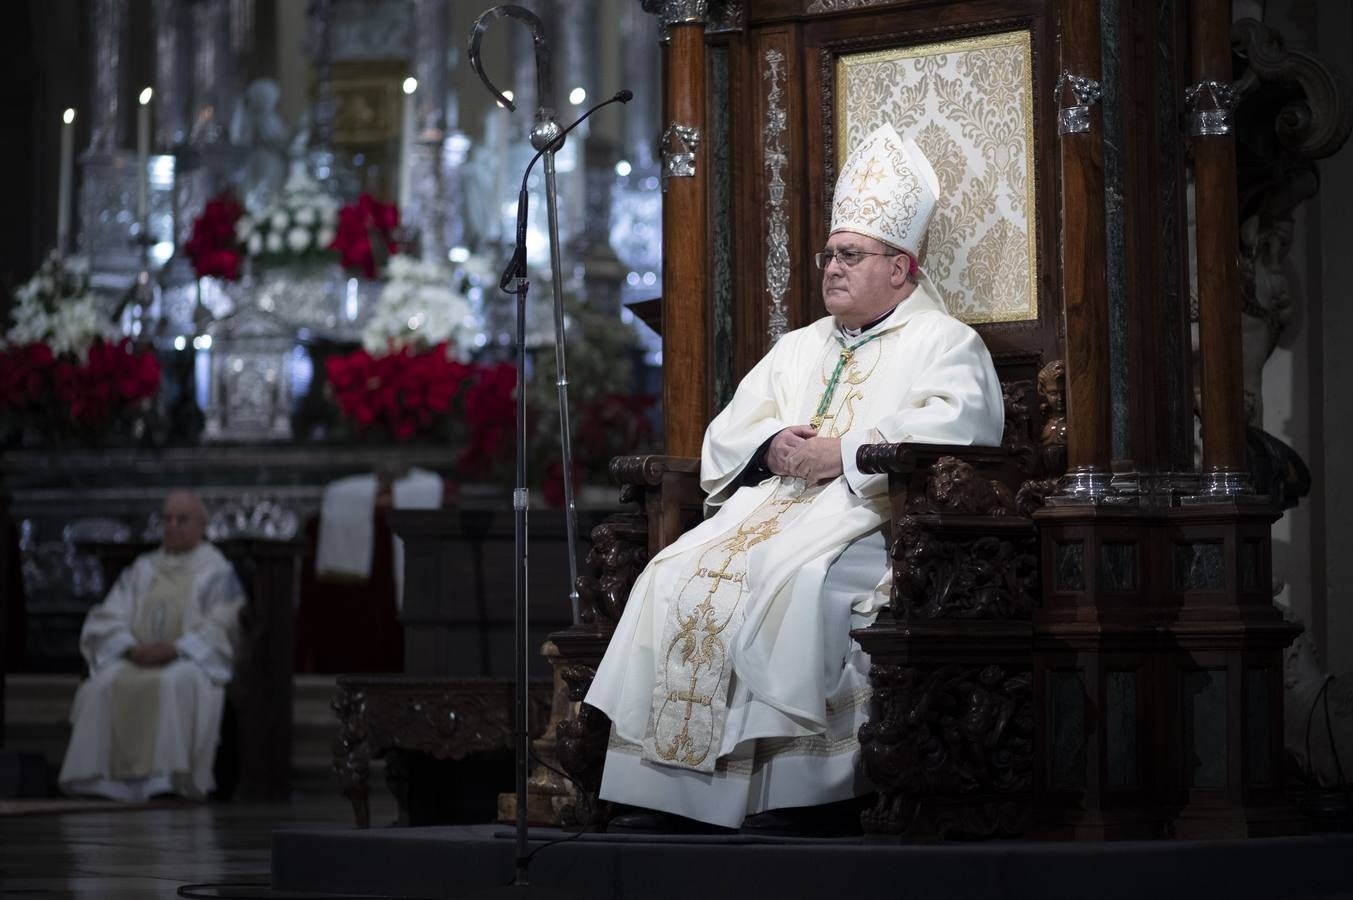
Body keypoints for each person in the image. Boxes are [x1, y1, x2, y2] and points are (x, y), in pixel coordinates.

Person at [584, 123, 1005, 832]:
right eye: (828, 256)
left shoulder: (945, 343)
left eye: (850, 255)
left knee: (797, 584)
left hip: (869, 518)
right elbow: (726, 434)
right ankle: (663, 789)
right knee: (669, 572)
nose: (831, 269)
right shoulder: (797, 346)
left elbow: (964, 430)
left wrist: (841, 453)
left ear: (900, 268)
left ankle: (792, 791)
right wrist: (772, 444)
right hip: (769, 510)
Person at [59, 491, 245, 802]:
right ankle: (98, 779)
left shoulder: (216, 570)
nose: (172, 525)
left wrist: (176, 649)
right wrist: (129, 647)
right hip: (136, 656)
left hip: (188, 658)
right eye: (167, 519)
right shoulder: (143, 568)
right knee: (100, 685)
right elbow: (109, 615)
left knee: (174, 682)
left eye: (182, 519)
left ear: (202, 525)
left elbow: (223, 624)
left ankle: (163, 779)